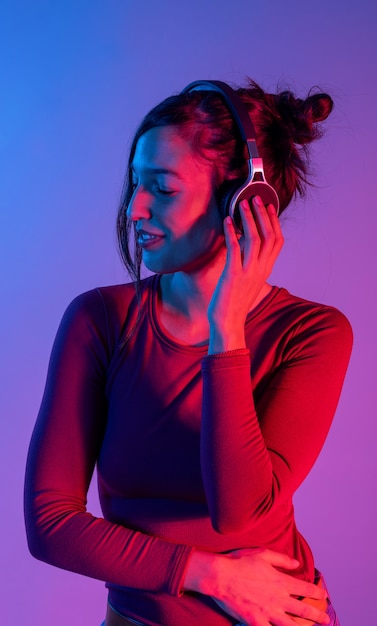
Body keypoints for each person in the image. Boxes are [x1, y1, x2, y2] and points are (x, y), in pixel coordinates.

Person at [24, 79, 353, 626]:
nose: (135, 209)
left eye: (163, 188)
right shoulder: (100, 320)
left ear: (242, 201)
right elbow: (50, 521)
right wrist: (212, 575)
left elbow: (239, 511)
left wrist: (227, 330)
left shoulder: (312, 332)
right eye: (134, 184)